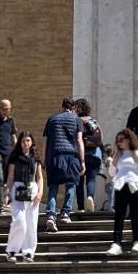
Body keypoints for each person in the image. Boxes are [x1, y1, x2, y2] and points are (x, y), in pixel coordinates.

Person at [42, 95, 84, 229]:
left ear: (62, 106)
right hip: (71, 156)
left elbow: (46, 141)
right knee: (71, 185)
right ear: (73, 107)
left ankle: (50, 215)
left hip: (54, 156)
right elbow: (79, 141)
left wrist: (44, 159)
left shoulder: (52, 119)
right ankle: (65, 213)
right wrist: (82, 160)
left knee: (53, 187)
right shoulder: (77, 120)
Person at [106, 128, 138, 255]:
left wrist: (135, 156)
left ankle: (137, 241)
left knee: (134, 215)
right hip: (121, 185)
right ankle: (116, 243)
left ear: (129, 140)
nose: (119, 143)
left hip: (134, 185)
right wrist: (114, 160)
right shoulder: (118, 154)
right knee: (119, 215)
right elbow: (112, 173)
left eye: (121, 140)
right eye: (117, 140)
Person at [3, 131, 43, 262]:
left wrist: (40, 193)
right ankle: (12, 250)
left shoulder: (35, 158)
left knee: (31, 222)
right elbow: (10, 176)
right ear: (19, 143)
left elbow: (39, 177)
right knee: (19, 221)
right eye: (23, 141)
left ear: (32, 143)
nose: (26, 143)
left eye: (28, 141)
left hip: (32, 189)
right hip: (18, 188)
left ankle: (28, 252)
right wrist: (7, 193)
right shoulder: (15, 158)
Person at [75, 96, 105, 212]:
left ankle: (81, 206)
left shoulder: (77, 121)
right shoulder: (93, 121)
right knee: (91, 179)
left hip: (81, 155)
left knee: (79, 181)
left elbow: (76, 139)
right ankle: (90, 197)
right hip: (95, 154)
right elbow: (101, 138)